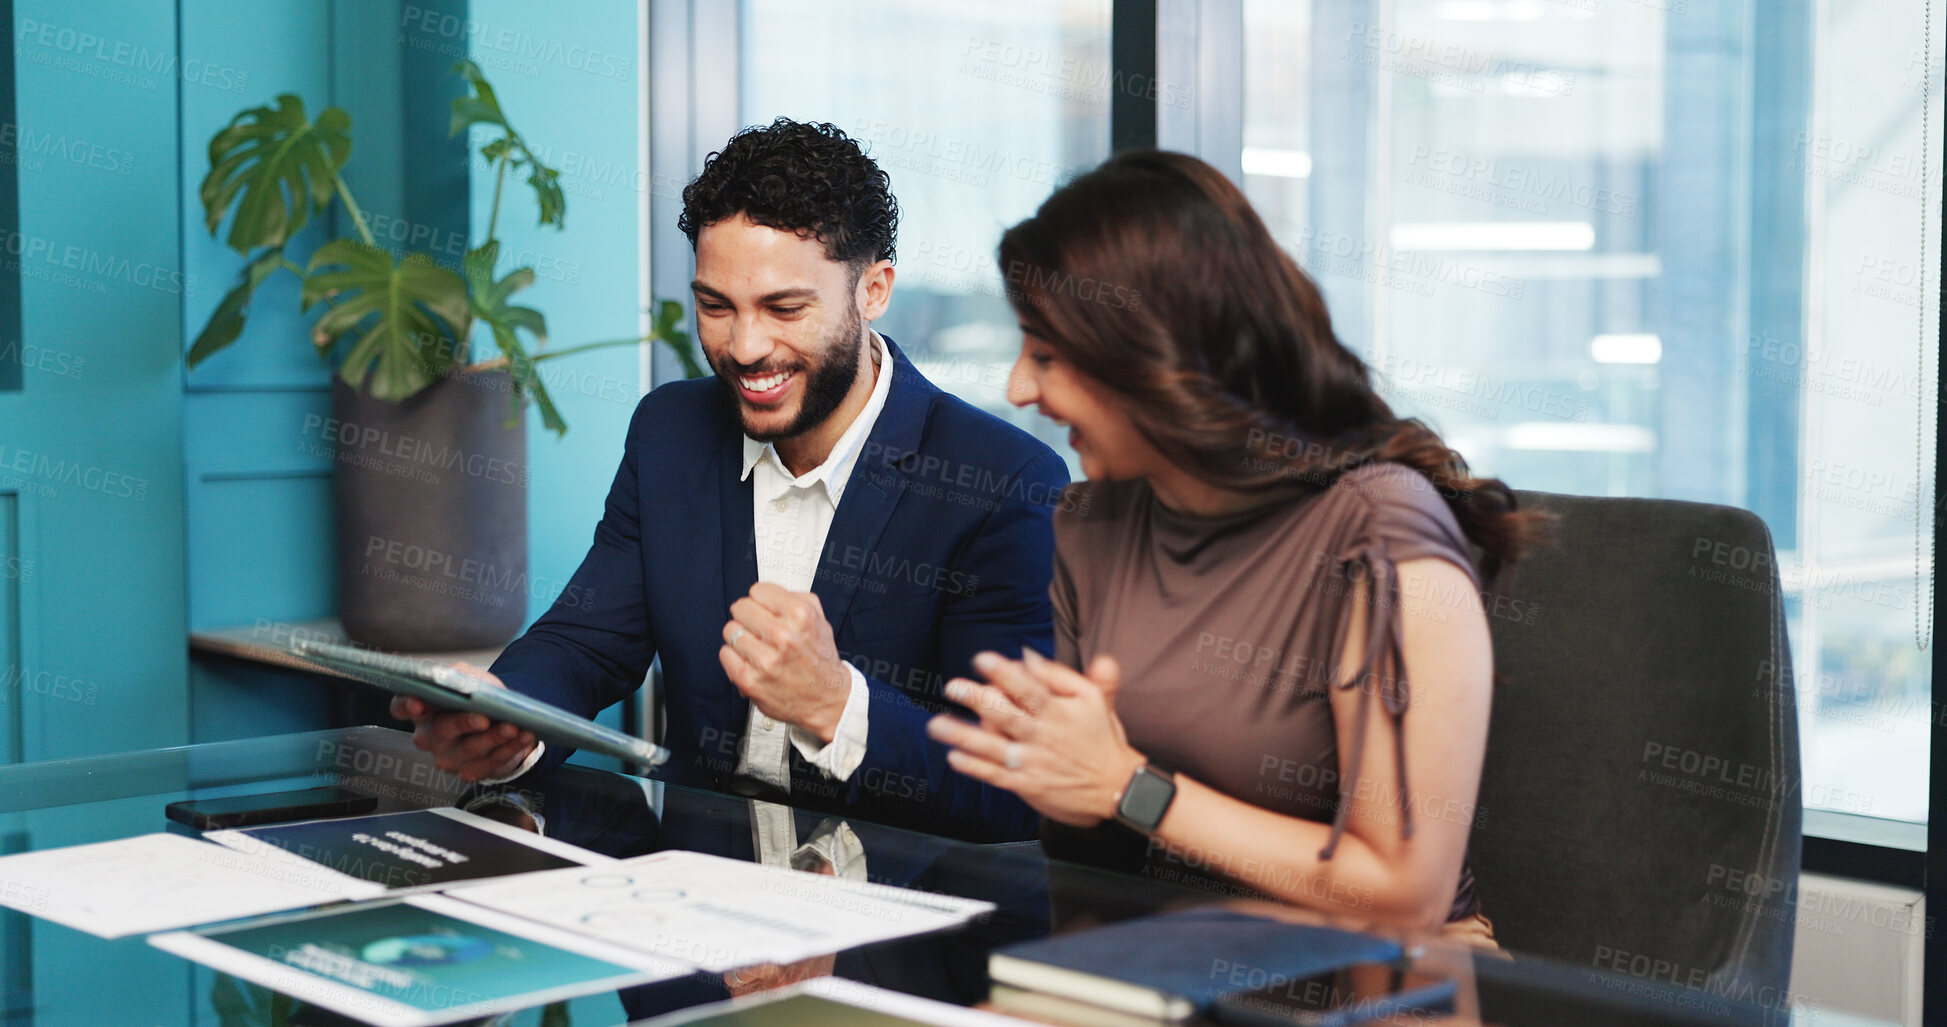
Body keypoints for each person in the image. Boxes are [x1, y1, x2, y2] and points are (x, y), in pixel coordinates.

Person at [392, 118, 1068, 846]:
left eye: (784, 308)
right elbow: (587, 642)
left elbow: (1008, 784)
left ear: (873, 290)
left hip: (890, 896)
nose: (744, 347)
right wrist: (505, 718)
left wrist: (837, 704)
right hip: (693, 875)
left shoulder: (999, 480)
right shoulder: (670, 432)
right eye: (715, 306)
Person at [926, 150, 1545, 941]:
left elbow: (1404, 893)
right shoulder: (1089, 524)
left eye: (1046, 355)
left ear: (1149, 355)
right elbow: (1088, 842)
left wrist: (1127, 784)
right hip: (1154, 964)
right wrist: (1056, 776)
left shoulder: (1376, 532)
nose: (1018, 388)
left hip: (1356, 979)